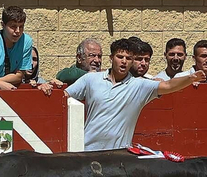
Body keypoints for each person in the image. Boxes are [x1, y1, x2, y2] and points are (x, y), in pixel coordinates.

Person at [60, 37, 199, 152]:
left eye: (128, 58)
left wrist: (191, 78)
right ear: (111, 58)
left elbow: (168, 85)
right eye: (120, 57)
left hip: (118, 155)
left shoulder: (139, 85)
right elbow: (63, 97)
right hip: (87, 150)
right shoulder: (91, 79)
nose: (124, 61)